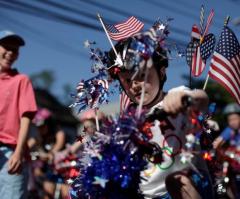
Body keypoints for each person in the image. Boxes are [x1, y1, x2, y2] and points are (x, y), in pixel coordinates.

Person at [107, 31, 212, 199]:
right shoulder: (127, 122)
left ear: (161, 72)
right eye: (127, 80)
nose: (134, 85)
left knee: (176, 181)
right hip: (145, 195)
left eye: (141, 76)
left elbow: (202, 99)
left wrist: (185, 99)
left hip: (184, 188)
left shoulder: (176, 95)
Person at [0, 30, 37, 199]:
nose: (10, 53)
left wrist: (18, 152)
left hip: (11, 153)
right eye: (6, 47)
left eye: (14, 50)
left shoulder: (21, 80)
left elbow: (26, 118)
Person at [29, 108, 67, 199]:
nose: (39, 129)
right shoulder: (38, 137)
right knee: (47, 192)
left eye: (42, 126)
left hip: (64, 168)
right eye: (37, 127)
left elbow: (57, 147)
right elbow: (27, 146)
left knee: (66, 194)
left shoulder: (59, 133)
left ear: (49, 123)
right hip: (49, 169)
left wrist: (49, 154)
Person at [212, 103, 240, 199]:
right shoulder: (229, 130)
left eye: (235, 119)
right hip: (234, 165)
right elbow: (217, 142)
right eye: (230, 120)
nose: (232, 122)